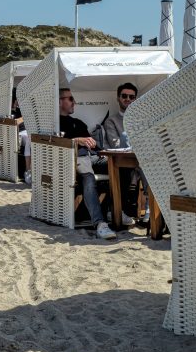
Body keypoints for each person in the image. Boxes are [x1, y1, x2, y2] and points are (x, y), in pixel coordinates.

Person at [59, 86, 116, 239]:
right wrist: (77, 141)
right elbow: (55, 144)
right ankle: (100, 223)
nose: (74, 102)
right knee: (88, 177)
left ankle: (117, 211)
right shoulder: (54, 124)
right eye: (70, 99)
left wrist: (96, 146)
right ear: (59, 102)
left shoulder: (78, 123)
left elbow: (94, 146)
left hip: (93, 157)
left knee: (118, 166)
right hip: (75, 158)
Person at [94, 81, 141, 225]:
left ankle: (149, 208)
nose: (128, 99)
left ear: (135, 99)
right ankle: (116, 210)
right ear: (118, 98)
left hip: (138, 158)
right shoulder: (111, 121)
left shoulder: (140, 120)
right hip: (118, 159)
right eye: (124, 96)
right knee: (126, 169)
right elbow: (116, 144)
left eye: (131, 97)